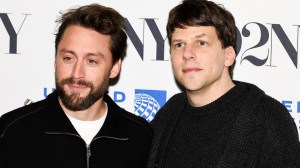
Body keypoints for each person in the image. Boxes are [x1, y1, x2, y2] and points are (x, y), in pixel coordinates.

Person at [147, 0, 300, 167]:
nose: (187, 53)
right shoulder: (169, 114)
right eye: (179, 44)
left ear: (228, 55)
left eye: (201, 43)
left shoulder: (267, 118)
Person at [0, 4, 153, 168]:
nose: (76, 73)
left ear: (114, 67)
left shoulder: (140, 137)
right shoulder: (11, 132)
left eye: (91, 61)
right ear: (55, 60)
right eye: (68, 58)